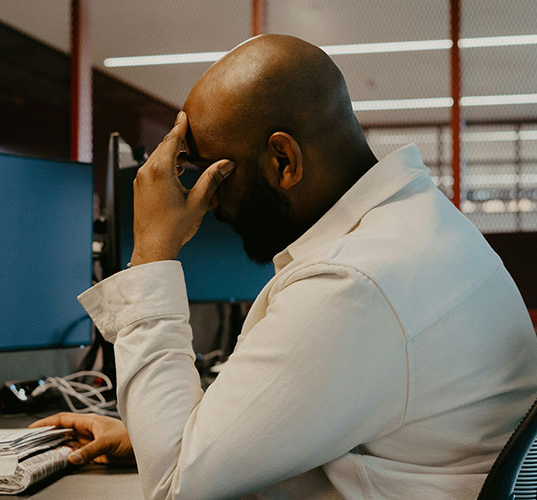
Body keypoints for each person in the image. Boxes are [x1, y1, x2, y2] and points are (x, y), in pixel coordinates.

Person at [31, 35, 537, 499]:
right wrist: (160, 437)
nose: (206, 204)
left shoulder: (352, 283)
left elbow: (173, 488)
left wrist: (151, 253)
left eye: (215, 175)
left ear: (283, 161)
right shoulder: (420, 224)